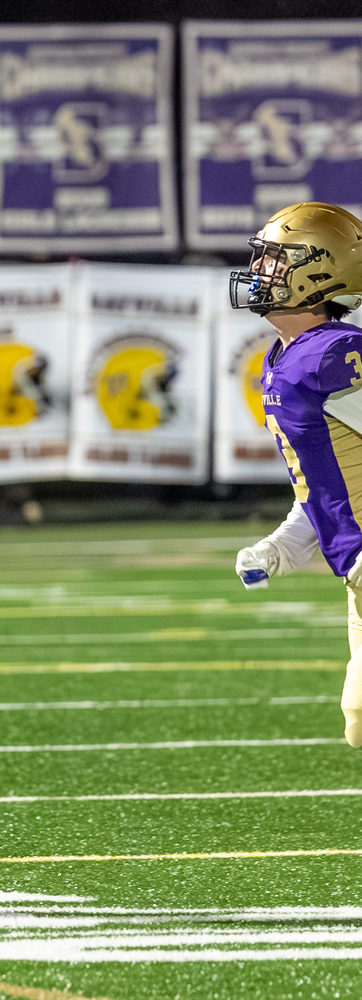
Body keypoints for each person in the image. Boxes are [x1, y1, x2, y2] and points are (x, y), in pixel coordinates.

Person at [231, 202, 362, 747]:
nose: (259, 271)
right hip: (356, 572)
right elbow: (324, 481)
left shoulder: (336, 354)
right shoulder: (287, 358)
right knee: (358, 720)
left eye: (275, 260)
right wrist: (284, 546)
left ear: (320, 272)